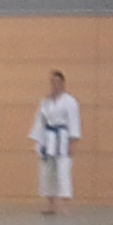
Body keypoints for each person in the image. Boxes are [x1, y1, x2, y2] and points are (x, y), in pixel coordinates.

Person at [32, 70, 83, 214]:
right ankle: (50, 204)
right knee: (47, 172)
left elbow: (74, 122)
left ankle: (66, 205)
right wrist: (39, 142)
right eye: (52, 82)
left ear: (62, 83)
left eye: (57, 82)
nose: (54, 85)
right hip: (48, 139)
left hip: (62, 139)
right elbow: (40, 122)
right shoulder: (45, 101)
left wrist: (72, 142)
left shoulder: (70, 101)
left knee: (63, 171)